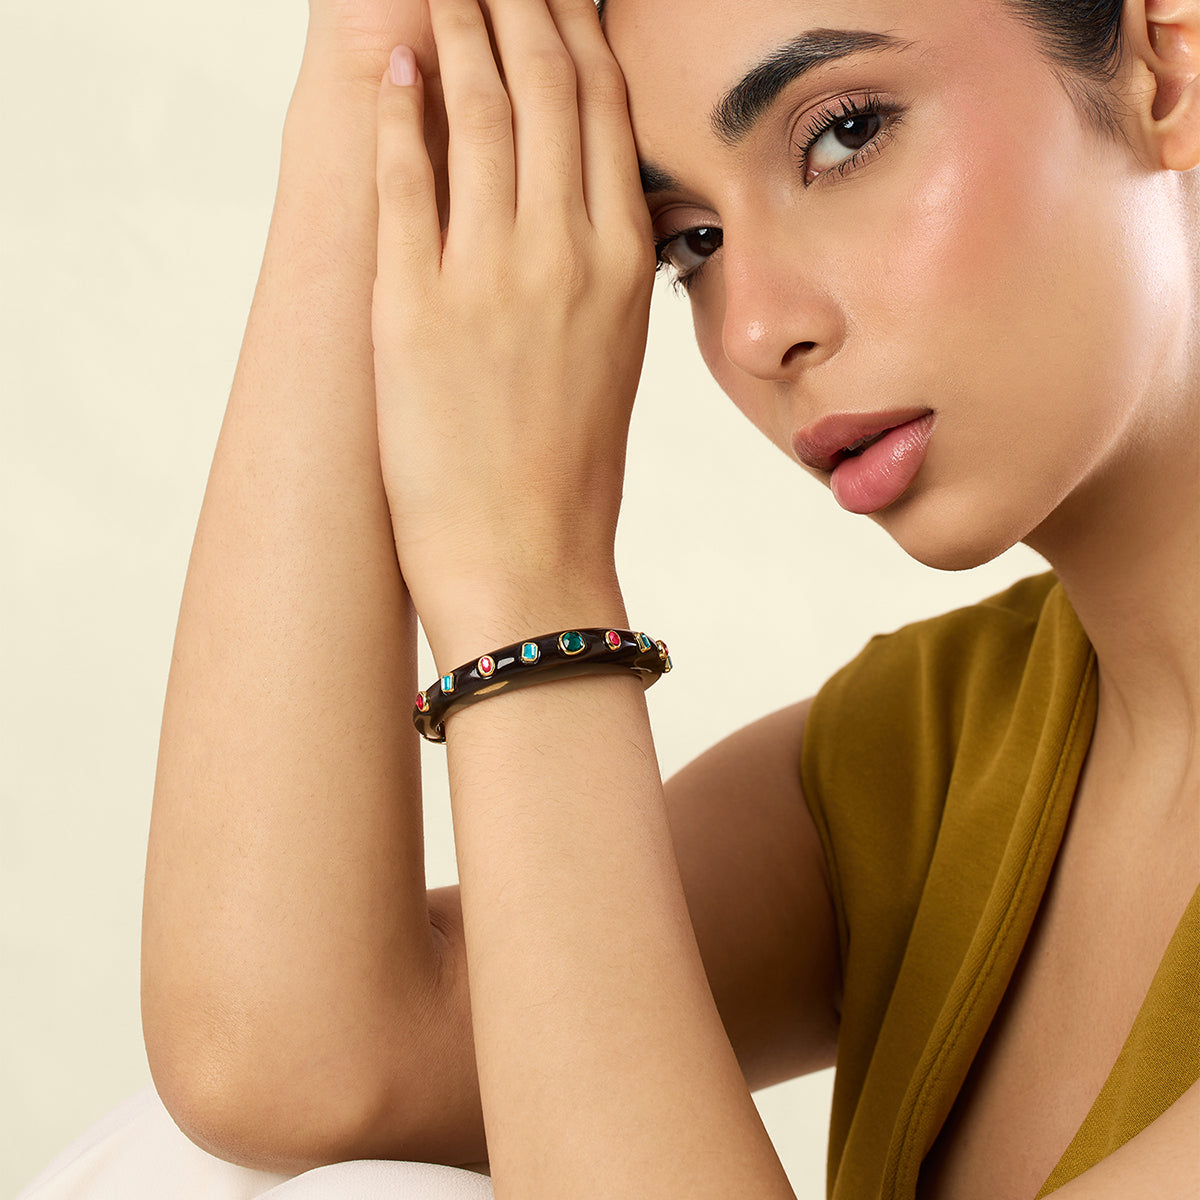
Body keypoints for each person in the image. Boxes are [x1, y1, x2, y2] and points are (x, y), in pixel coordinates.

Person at [27, 0, 1195, 1197]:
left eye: (844, 135)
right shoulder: (938, 753)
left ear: (1167, 63)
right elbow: (281, 1064)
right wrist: (367, 77)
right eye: (692, 241)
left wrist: (523, 579)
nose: (756, 328)